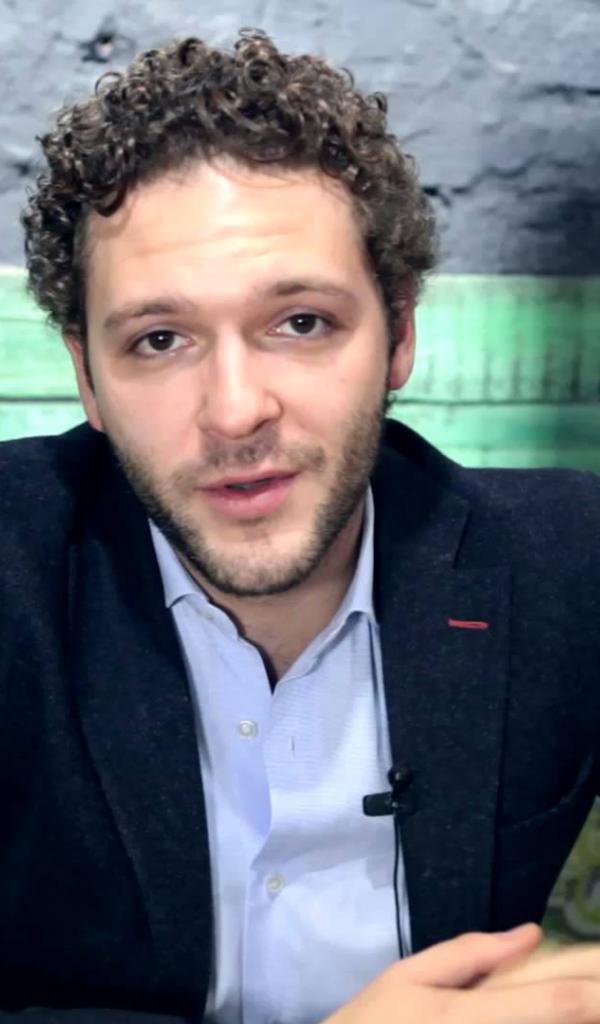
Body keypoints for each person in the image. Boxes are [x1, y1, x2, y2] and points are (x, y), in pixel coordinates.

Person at [1, 26, 600, 1024]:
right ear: (87, 379)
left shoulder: (566, 564)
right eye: (160, 338)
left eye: (302, 322)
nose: (236, 411)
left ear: (399, 334)